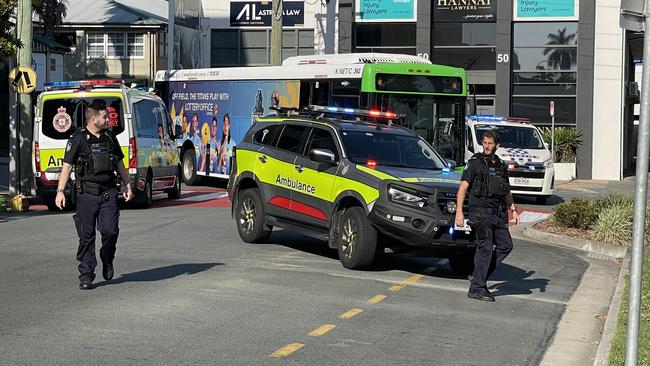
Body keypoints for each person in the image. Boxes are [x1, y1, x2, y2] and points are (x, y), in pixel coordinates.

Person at [55, 103, 134, 290]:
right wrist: (60, 191)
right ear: (93, 119)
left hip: (108, 192)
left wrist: (127, 184)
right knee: (86, 236)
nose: (108, 120)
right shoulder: (78, 139)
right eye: (105, 117)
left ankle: (107, 258)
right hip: (86, 194)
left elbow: (120, 163)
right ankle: (86, 274)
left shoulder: (109, 137)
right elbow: (66, 166)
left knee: (110, 231)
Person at [454, 130, 520, 302]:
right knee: (486, 248)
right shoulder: (475, 163)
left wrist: (512, 207)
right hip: (480, 215)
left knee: (506, 245)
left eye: (490, 143)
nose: (487, 146)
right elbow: (462, 189)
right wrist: (459, 212)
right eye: (484, 143)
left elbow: (506, 190)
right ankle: (477, 288)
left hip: (497, 214)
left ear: (497, 145)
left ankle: (478, 276)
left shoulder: (500, 165)